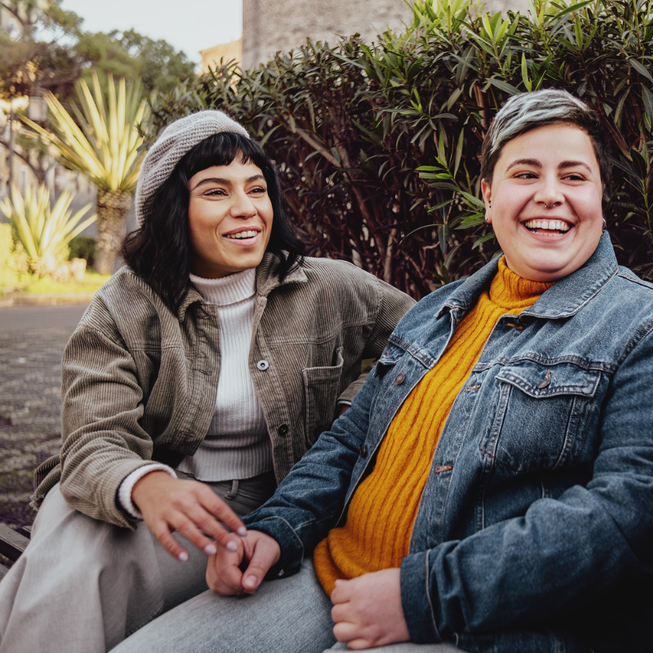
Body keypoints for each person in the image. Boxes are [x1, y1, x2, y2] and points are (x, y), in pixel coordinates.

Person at [115, 89, 653, 653]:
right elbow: (353, 441)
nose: (550, 194)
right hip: (334, 576)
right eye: (524, 174)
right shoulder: (440, 311)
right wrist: (274, 530)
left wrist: (424, 594)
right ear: (488, 198)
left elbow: (627, 524)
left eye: (574, 176)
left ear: (599, 198)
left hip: (488, 624)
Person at [0, 110, 415, 653]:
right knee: (78, 534)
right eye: (216, 191)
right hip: (156, 500)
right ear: (174, 211)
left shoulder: (329, 288)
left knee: (56, 565)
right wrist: (147, 485)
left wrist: (353, 410)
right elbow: (93, 439)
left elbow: (430, 346)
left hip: (267, 515)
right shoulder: (121, 308)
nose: (246, 209)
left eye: (257, 189)